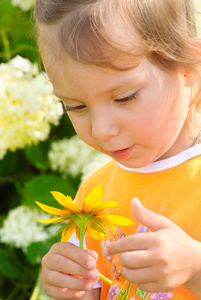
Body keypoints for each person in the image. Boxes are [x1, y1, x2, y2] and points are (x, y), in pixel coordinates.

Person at [34, 0, 201, 299]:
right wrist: (71, 286)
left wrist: (196, 269)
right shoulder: (93, 194)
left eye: (124, 97)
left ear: (188, 68)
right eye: (76, 106)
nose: (100, 130)